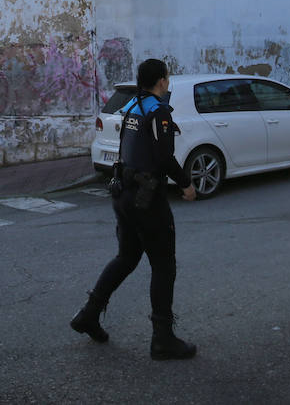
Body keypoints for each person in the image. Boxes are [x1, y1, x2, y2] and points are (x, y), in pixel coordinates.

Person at [70, 57, 198, 359]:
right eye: (166, 78)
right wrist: (186, 184)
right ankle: (163, 338)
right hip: (147, 199)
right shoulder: (158, 112)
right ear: (162, 81)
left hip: (124, 194)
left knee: (127, 257)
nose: (167, 82)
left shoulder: (130, 108)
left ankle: (88, 314)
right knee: (164, 265)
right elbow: (164, 158)